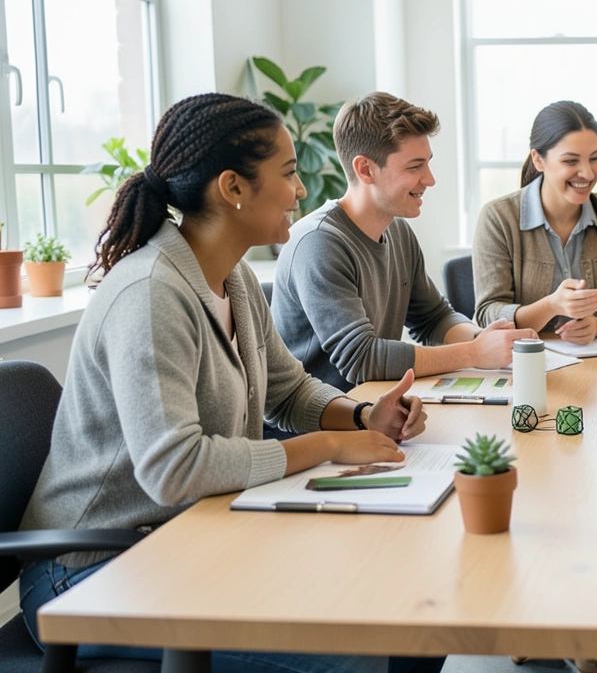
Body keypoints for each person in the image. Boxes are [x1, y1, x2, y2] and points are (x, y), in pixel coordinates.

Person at [18, 93, 439, 672]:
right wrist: (330, 444)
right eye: (288, 174)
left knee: (406, 606)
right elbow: (175, 468)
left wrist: (361, 417)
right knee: (351, 656)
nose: (300, 191)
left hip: (194, 537)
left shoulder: (233, 277)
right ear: (233, 188)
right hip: (89, 570)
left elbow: (289, 391)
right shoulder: (150, 294)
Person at [273, 91, 535, 392]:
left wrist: (482, 339)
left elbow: (432, 317)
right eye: (414, 167)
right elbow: (361, 359)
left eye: (427, 163)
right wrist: (474, 353)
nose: (430, 179)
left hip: (374, 408)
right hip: (321, 426)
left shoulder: (397, 231)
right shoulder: (318, 243)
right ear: (365, 169)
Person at [474, 100, 597, 345]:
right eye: (571, 161)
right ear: (538, 159)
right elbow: (487, 314)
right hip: (524, 362)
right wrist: (551, 305)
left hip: (593, 362)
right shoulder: (498, 218)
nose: (587, 173)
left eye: (594, 158)